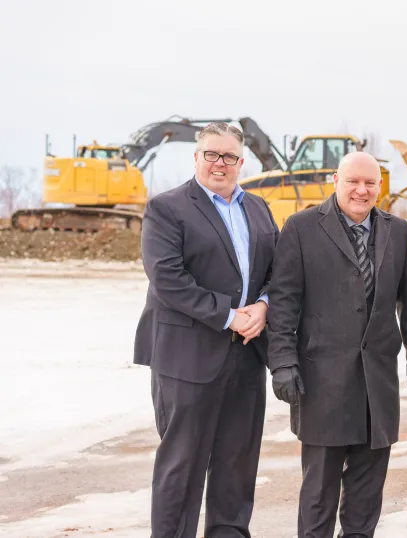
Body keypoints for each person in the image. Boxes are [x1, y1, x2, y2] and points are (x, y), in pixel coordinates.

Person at [266, 151, 407, 538]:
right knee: (319, 499)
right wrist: (283, 363)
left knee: (365, 498)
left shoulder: (397, 231)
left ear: (380, 186)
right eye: (353, 181)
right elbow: (285, 301)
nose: (361, 190)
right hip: (322, 382)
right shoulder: (301, 228)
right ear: (336, 180)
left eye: (370, 183)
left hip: (378, 385)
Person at [133, 121, 279, 537]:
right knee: (182, 466)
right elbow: (169, 280)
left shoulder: (259, 209)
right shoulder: (167, 208)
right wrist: (232, 315)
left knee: (236, 464)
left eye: (229, 156)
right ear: (196, 158)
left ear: (241, 162)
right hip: (187, 358)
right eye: (212, 155)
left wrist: (265, 306)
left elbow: (279, 270)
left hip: (247, 356)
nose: (221, 163)